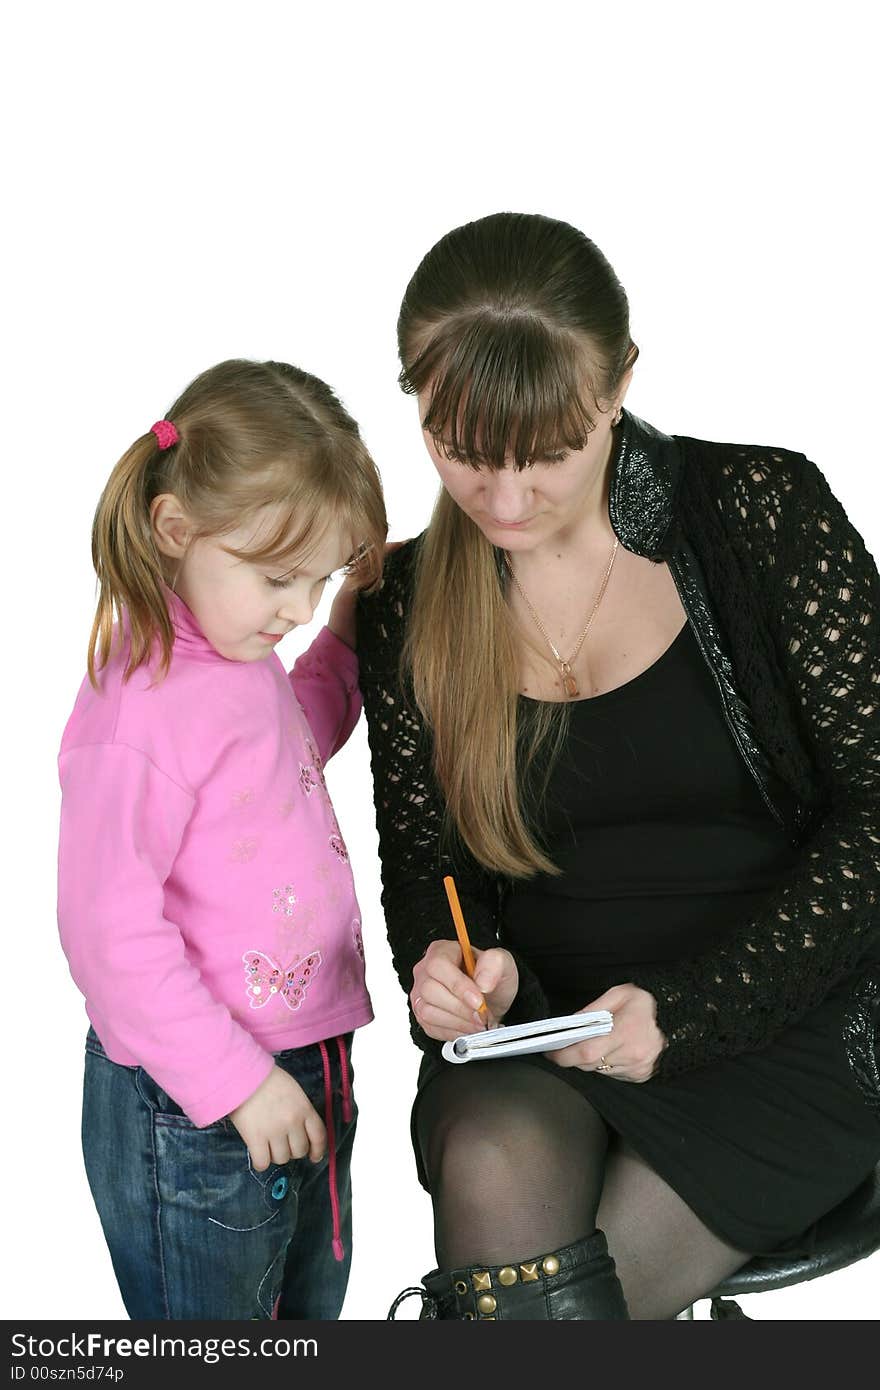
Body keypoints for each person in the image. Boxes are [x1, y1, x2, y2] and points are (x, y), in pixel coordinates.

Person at [356, 212, 880, 1320]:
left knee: (538, 1318)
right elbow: (422, 868)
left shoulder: (757, 512)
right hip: (549, 1029)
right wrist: (451, 967)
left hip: (793, 1016)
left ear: (618, 386)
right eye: (460, 451)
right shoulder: (406, 603)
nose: (501, 502)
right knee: (497, 1170)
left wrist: (688, 1015)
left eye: (544, 455)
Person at [57, 358, 386, 1320]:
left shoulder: (243, 656)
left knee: (304, 1317)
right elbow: (106, 935)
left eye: (319, 579)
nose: (297, 607)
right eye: (280, 577)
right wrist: (238, 1085)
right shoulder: (143, 706)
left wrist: (345, 644)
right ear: (176, 531)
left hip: (309, 1058)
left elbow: (281, 762)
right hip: (200, 1098)